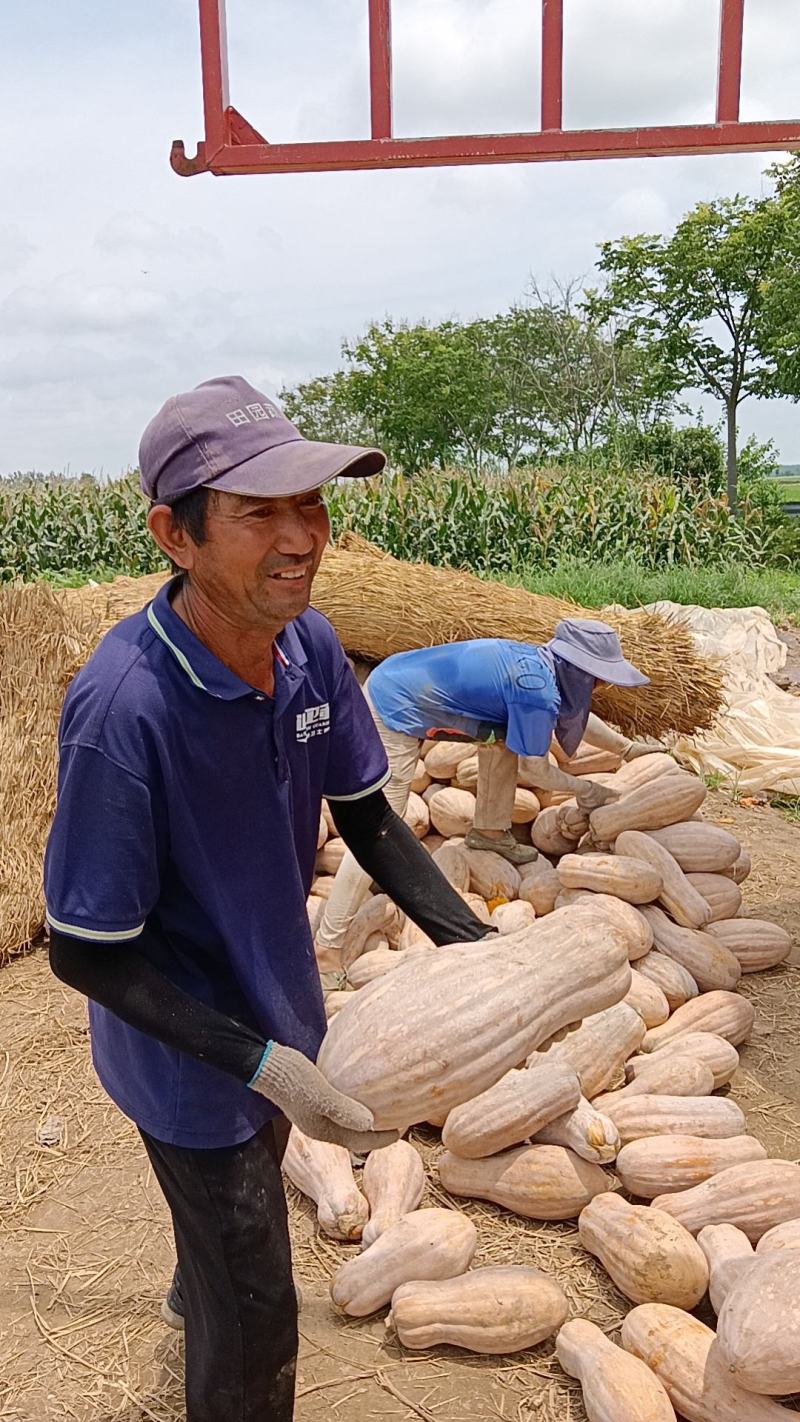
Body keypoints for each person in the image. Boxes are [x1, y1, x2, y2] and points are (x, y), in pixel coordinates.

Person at [43, 377, 493, 1422]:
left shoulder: (308, 646)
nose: (302, 537)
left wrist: (474, 947)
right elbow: (85, 951)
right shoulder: (125, 712)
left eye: (312, 504)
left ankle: (200, 1271)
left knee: (226, 1250)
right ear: (176, 534)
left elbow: (368, 817)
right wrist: (261, 1062)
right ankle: (219, 1301)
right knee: (254, 1337)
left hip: (276, 1007)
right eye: (260, 512)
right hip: (187, 1060)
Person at [316, 627, 654, 960]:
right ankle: (329, 944)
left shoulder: (542, 666)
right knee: (381, 830)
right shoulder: (536, 691)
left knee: (506, 737)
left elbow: (564, 721)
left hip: (401, 676)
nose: (602, 685)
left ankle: (489, 831)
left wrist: (627, 750)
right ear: (579, 673)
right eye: (598, 677)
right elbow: (533, 769)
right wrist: (586, 789)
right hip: (394, 704)